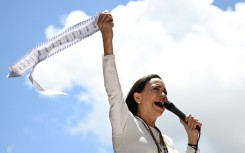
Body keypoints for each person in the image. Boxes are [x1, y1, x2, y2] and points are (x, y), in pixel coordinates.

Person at [97, 12, 202, 153]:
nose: (163, 94)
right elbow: (113, 89)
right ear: (138, 97)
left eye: (165, 91)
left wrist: (192, 141)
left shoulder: (167, 141)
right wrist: (107, 37)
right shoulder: (125, 123)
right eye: (156, 89)